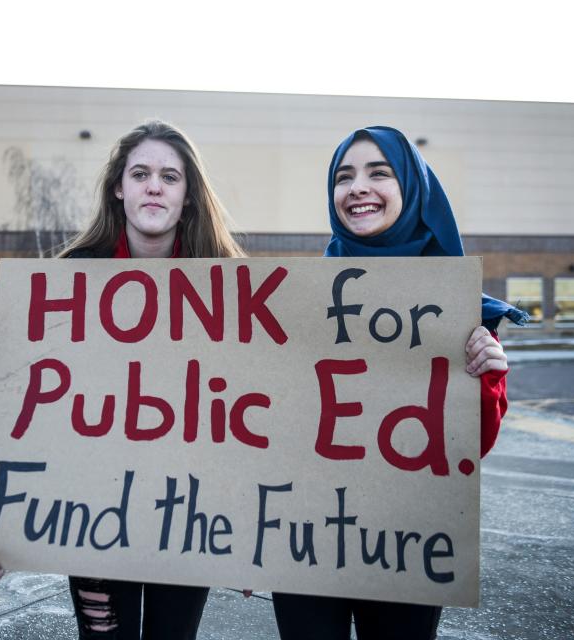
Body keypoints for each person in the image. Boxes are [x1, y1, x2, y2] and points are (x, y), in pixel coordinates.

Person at [270, 126, 528, 640]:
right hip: (305, 538)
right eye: (344, 177)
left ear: (412, 189)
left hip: (408, 541)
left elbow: (468, 446)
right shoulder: (295, 301)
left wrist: (487, 376)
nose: (358, 187)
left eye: (379, 173)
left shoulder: (456, 304)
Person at [56, 120, 246, 638]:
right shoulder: (71, 277)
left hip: (190, 510)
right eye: (140, 173)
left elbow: (254, 414)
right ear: (119, 188)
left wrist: (255, 536)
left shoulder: (231, 284)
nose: (154, 186)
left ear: (188, 196)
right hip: (94, 510)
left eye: (170, 176)